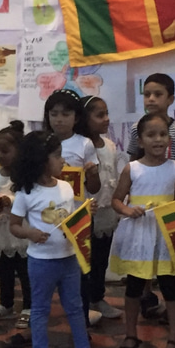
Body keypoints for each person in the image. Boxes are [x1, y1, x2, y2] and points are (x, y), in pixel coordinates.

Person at [9, 131, 100, 348]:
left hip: (69, 259)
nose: (63, 161)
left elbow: (70, 221)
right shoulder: (26, 193)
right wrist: (29, 233)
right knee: (40, 310)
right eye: (57, 156)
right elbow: (14, 226)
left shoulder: (66, 188)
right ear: (40, 160)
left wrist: (86, 212)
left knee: (76, 308)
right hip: (41, 262)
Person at [111, 112, 175, 348]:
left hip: (165, 237)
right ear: (140, 141)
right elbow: (116, 199)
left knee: (170, 286)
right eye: (151, 135)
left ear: (170, 139)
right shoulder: (132, 169)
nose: (158, 139)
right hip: (139, 235)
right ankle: (130, 335)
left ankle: (174, 339)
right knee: (134, 286)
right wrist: (127, 210)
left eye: (163, 134)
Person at [126, 73, 175, 319]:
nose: (151, 99)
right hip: (144, 199)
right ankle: (147, 297)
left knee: (170, 257)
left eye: (158, 94)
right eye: (147, 94)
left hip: (169, 197)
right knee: (144, 252)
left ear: (170, 99)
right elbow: (133, 160)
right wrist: (131, 196)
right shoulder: (137, 128)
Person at [43, 89, 102, 326]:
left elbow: (94, 188)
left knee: (81, 270)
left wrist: (92, 173)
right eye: (54, 114)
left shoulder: (84, 144)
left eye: (65, 114)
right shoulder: (41, 143)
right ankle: (39, 315)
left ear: (76, 118)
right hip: (48, 217)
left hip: (78, 218)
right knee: (48, 267)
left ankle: (82, 318)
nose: (59, 119)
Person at [0, 121, 31, 331]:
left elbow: (30, 201)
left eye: (5, 151)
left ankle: (29, 306)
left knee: (26, 272)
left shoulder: (27, 177)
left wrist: (10, 201)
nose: (0, 155)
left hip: (22, 234)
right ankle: (6, 304)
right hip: (2, 233)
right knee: (5, 271)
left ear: (19, 151)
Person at [80, 96, 124, 320]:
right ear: (84, 119)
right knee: (84, 260)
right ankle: (83, 302)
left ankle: (98, 297)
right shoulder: (80, 146)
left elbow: (113, 176)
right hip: (86, 212)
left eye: (107, 114)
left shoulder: (110, 145)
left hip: (106, 211)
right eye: (99, 115)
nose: (106, 119)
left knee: (100, 258)